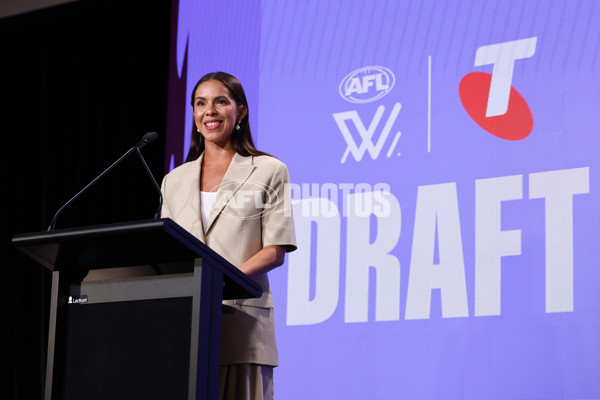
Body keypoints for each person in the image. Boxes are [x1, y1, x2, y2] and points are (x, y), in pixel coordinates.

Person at [160, 71, 297, 400]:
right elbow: (167, 251)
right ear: (194, 116)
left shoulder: (268, 170)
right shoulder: (174, 180)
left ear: (241, 112)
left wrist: (217, 280)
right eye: (201, 103)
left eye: (221, 101)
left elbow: (275, 249)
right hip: (186, 327)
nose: (210, 111)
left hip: (243, 325)